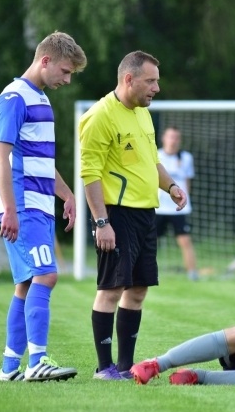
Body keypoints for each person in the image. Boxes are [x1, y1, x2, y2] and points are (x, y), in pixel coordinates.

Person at [79, 50, 187, 381]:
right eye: (150, 81)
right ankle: (104, 367)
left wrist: (170, 187)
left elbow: (151, 161)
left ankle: (125, 366)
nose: (156, 88)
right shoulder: (100, 116)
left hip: (144, 214)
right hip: (116, 215)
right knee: (112, 288)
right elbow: (90, 172)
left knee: (138, 289)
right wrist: (101, 222)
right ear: (129, 79)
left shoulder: (142, 114)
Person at [0, 31, 87, 382]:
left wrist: (67, 195)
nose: (66, 79)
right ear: (44, 60)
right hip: (24, 206)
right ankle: (38, 362)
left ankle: (9, 368)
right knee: (47, 275)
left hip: (39, 205)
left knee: (25, 284)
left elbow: (41, 160)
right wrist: (12, 209)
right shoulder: (14, 97)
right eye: (64, 71)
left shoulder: (41, 99)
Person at [155, 126, 198, 280]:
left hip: (178, 209)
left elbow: (187, 181)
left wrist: (184, 199)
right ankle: (142, 271)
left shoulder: (186, 158)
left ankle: (193, 274)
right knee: (150, 242)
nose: (173, 140)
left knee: (185, 241)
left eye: (176, 137)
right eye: (170, 137)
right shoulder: (156, 155)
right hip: (158, 208)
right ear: (164, 138)